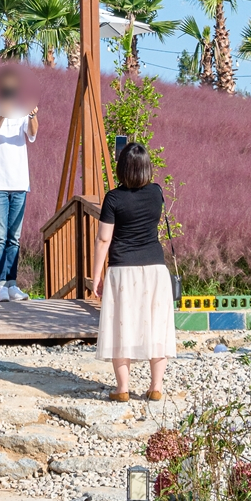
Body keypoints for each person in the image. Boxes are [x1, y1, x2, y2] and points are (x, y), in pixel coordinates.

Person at [92, 141, 176, 403]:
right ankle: (156, 387)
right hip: (155, 268)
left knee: (121, 326)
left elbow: (104, 239)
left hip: (122, 269)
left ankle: (123, 388)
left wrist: (96, 276)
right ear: (147, 167)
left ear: (121, 168)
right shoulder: (156, 193)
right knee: (157, 326)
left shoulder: (114, 198)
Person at [0, 69, 38, 303]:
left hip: (20, 183)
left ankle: (12, 285)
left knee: (14, 238)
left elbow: (32, 133)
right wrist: (3, 112)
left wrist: (31, 116)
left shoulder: (22, 113)